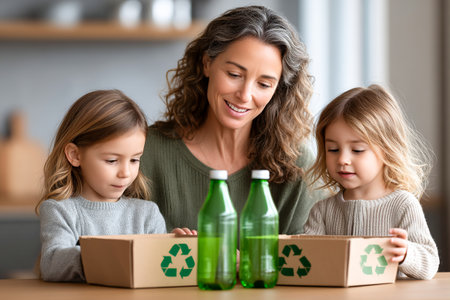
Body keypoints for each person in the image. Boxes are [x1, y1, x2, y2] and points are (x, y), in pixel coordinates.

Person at [141, 5, 325, 235]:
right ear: (206, 63)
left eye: (264, 84)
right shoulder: (144, 152)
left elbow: (311, 263)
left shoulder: (297, 166)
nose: (245, 95)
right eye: (234, 75)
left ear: (278, 90)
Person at [304, 84, 439, 280]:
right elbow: (308, 261)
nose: (342, 159)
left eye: (357, 150)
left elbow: (430, 263)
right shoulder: (322, 211)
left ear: (388, 149)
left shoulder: (403, 204)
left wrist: (407, 253)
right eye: (333, 149)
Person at [36, 90, 166, 282]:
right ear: (75, 155)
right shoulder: (60, 211)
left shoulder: (148, 214)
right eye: (112, 160)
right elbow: (52, 264)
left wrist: (175, 247)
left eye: (134, 160)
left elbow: (160, 272)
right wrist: (107, 257)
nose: (126, 173)